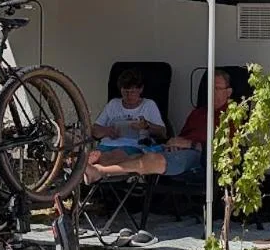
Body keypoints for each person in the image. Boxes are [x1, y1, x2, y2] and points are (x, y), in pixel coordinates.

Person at [84, 69, 234, 184]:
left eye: (217, 88)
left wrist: (190, 144)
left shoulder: (232, 115)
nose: (211, 92)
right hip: (176, 149)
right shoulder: (198, 112)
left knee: (148, 159)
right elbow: (180, 136)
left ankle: (100, 171)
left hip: (199, 156)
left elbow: (225, 149)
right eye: (210, 87)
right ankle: (85, 171)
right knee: (140, 156)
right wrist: (174, 143)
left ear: (228, 92)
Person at [93, 68, 168, 148]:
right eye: (125, 92)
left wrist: (147, 126)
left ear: (141, 89)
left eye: (133, 92)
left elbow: (163, 133)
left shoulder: (148, 105)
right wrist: (107, 131)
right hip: (108, 145)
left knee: (117, 155)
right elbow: (94, 131)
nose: (129, 96)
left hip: (135, 146)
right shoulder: (113, 104)